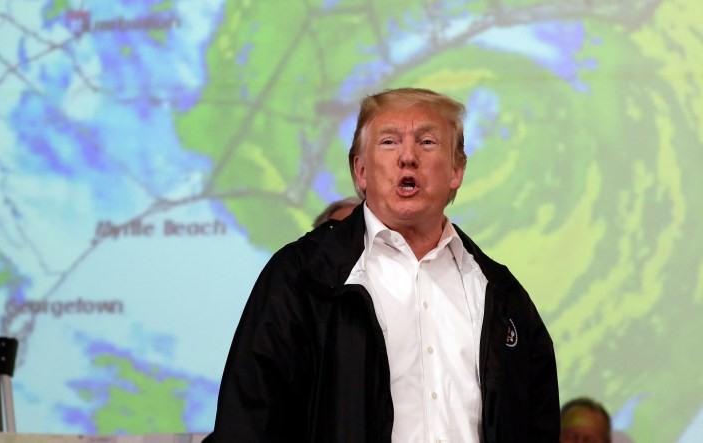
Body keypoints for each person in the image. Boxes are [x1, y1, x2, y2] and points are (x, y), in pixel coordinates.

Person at [205, 87, 560, 442]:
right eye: (389, 142)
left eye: (427, 142)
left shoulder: (501, 293)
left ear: (456, 170)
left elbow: (538, 425)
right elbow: (249, 424)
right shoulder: (301, 276)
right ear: (360, 171)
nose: (408, 157)